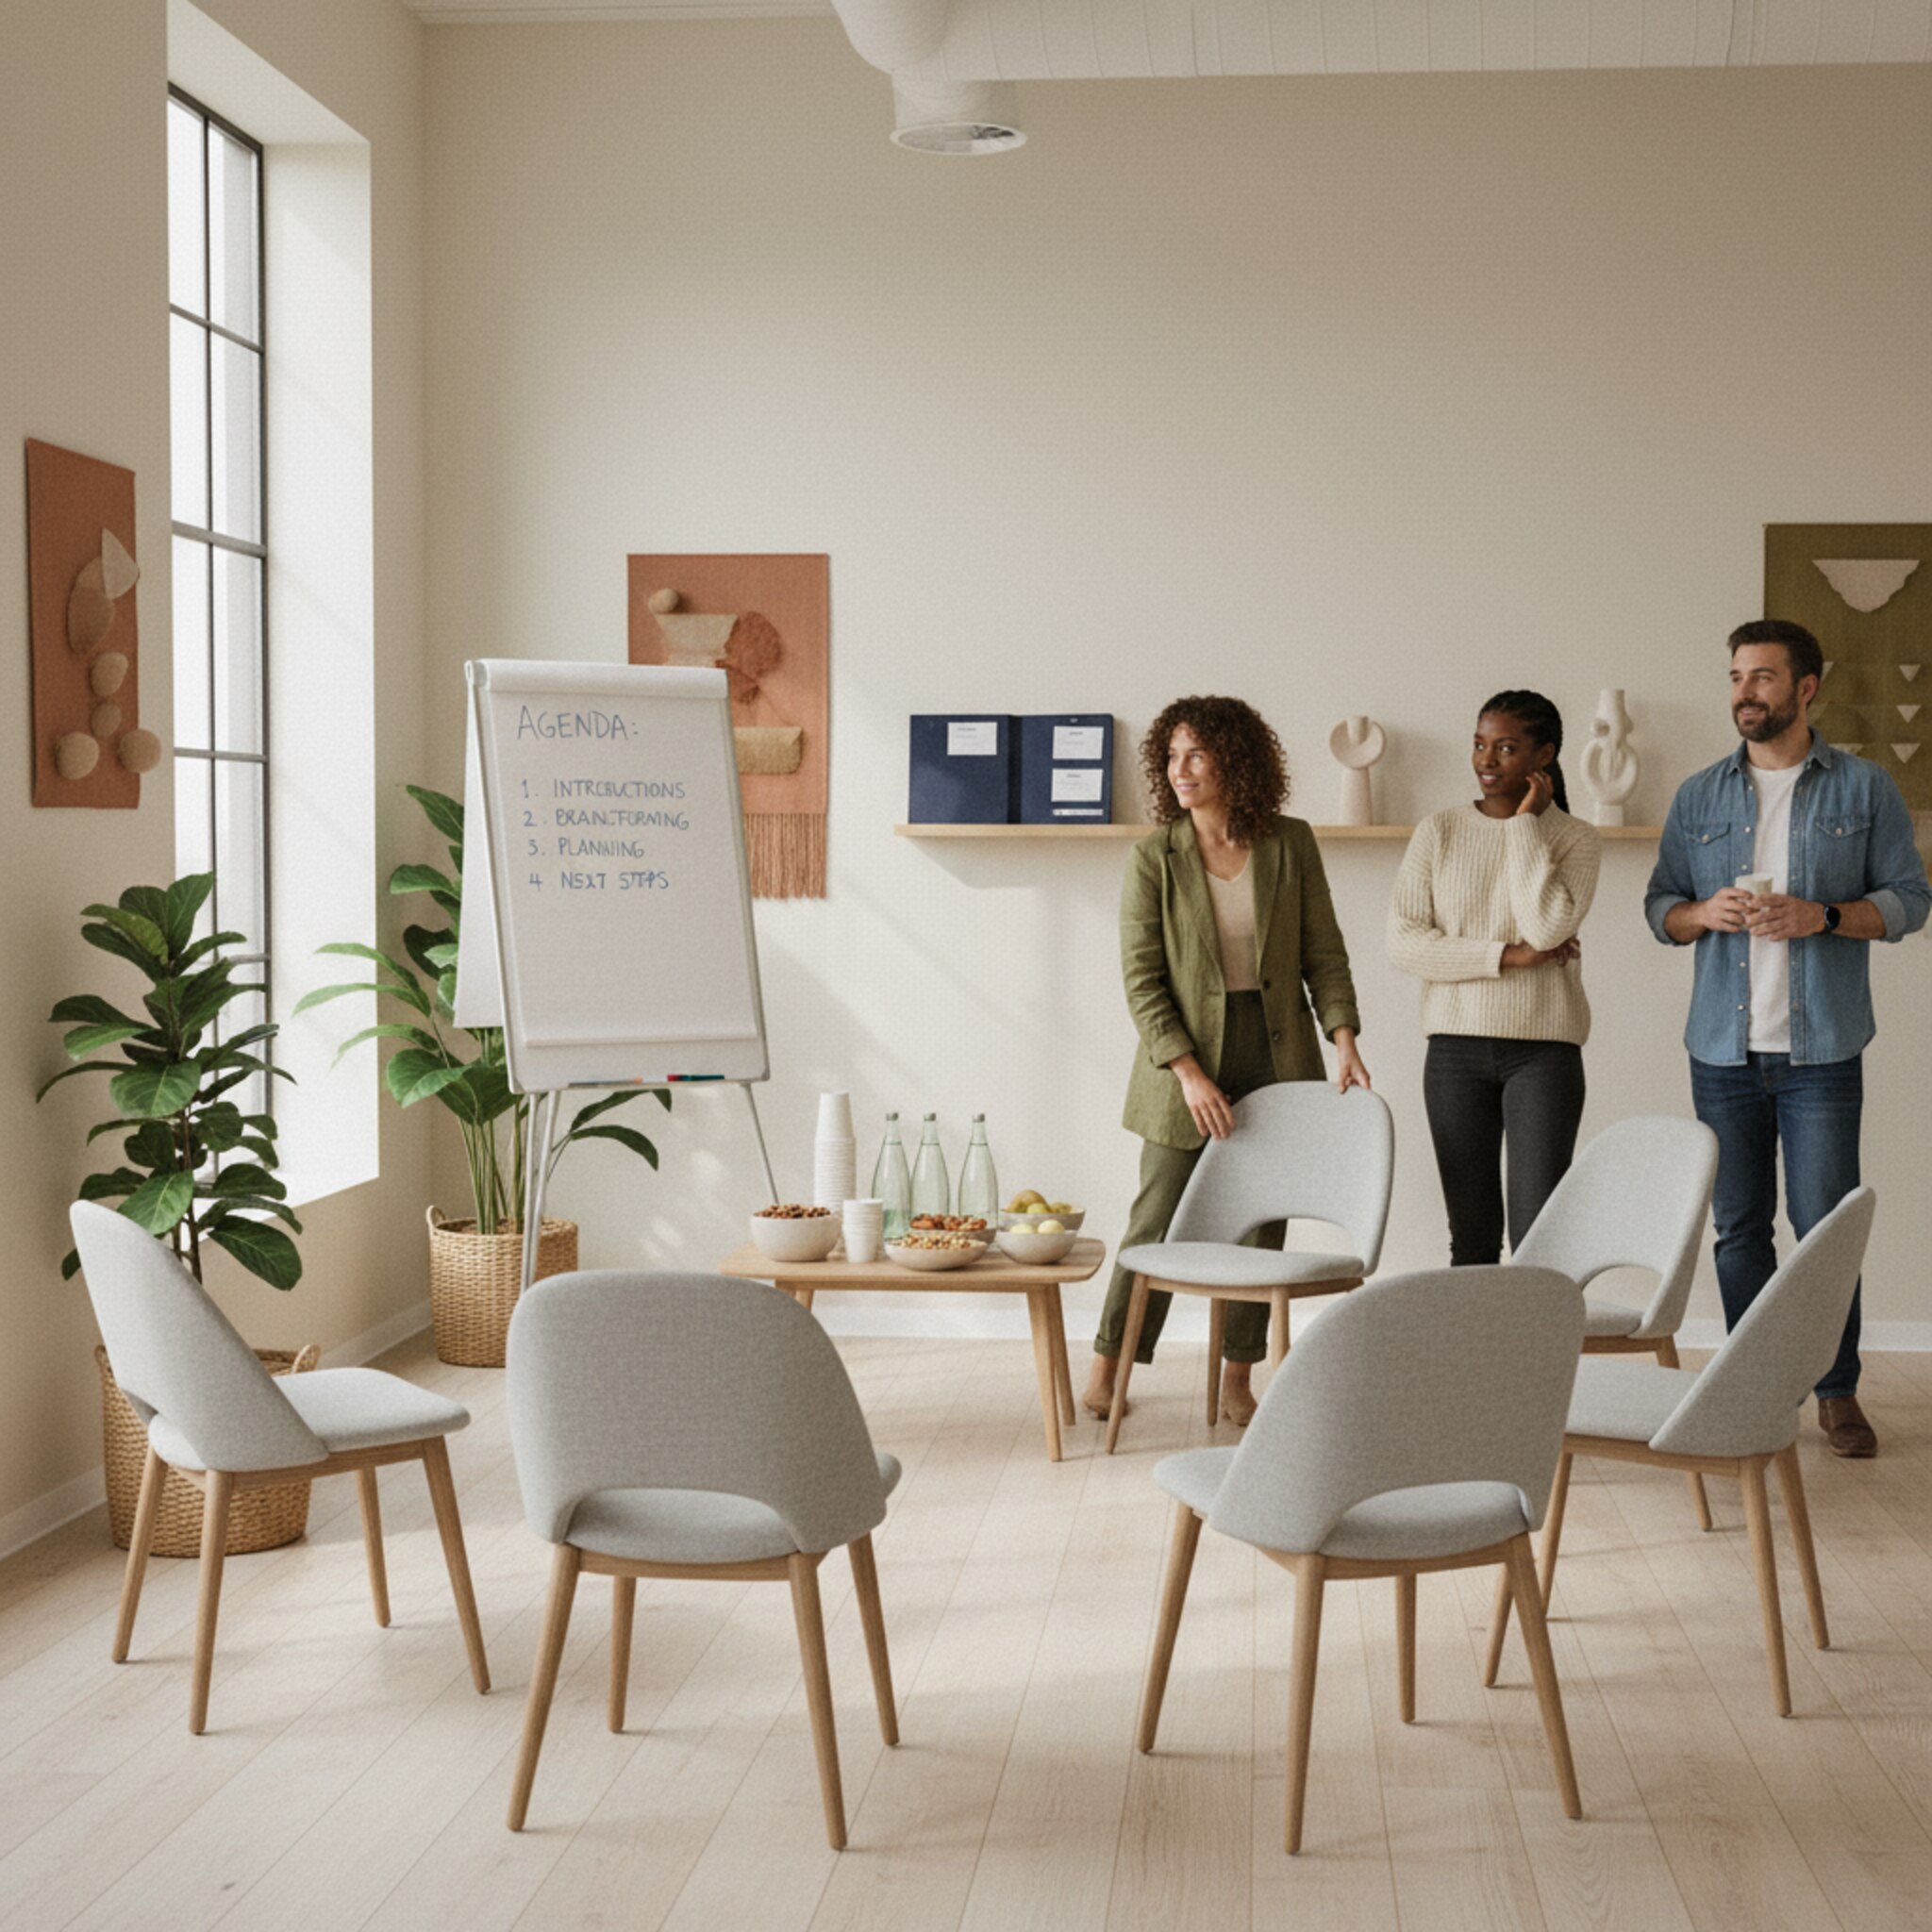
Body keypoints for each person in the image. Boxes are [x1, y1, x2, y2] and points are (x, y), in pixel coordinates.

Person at [1646, 619, 1930, 1457]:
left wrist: (1826, 916)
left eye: (1763, 678)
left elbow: (1911, 901)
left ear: (1806, 687)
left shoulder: (1864, 788)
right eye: (1737, 676)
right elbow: (1661, 906)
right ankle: (1752, 1390)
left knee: (1823, 1225)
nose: (1745, 692)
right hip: (1721, 1053)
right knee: (1739, 1226)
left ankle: (1837, 1392)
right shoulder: (1700, 794)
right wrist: (1703, 913)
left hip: (1823, 1051)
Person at [1084, 695, 1370, 1428]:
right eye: (1172, 756)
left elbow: (1323, 952)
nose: (1179, 770)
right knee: (1158, 1217)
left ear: (1235, 762)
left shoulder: (1290, 844)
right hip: (1184, 1056)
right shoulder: (1155, 857)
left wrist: (1343, 1039)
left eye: (1197, 755)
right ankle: (1109, 1365)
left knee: (1259, 1223)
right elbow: (1141, 980)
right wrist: (1187, 1073)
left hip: (1277, 1047)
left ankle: (1235, 1380)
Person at [1389, 691, 1600, 1265]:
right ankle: (1470, 1358)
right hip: (1454, 1053)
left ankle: (1534, 1357)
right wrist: (1504, 956)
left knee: (1537, 1237)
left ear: (1544, 756)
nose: (1487, 760)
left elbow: (1549, 925)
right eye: (1480, 745)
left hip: (1545, 1055)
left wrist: (1525, 826)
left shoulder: (1574, 838)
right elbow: (1404, 943)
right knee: (1473, 1235)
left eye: (1506, 748)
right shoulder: (1439, 831)